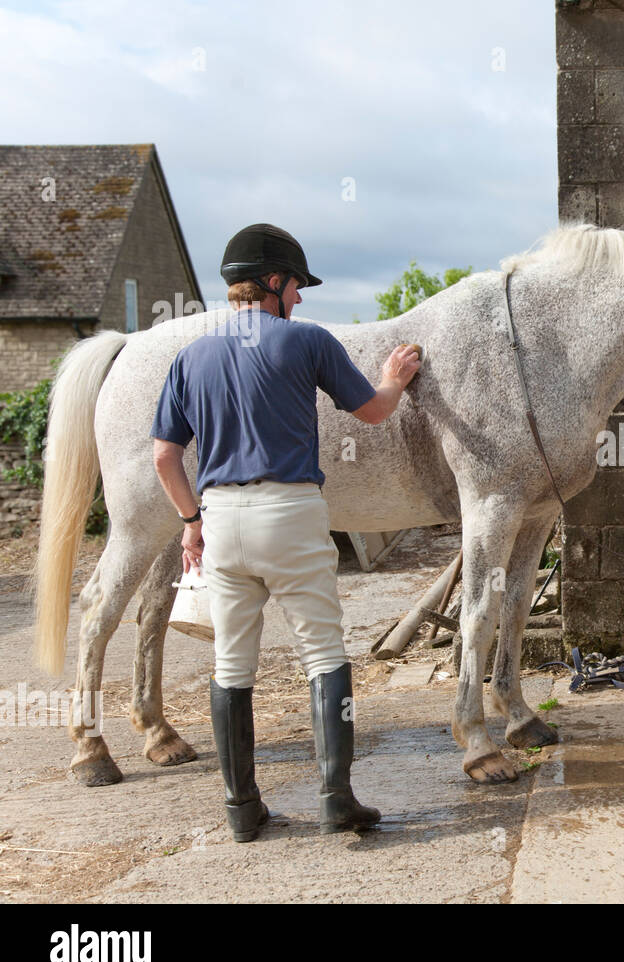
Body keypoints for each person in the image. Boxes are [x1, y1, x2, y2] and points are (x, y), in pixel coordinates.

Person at [151, 223, 422, 839]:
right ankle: (335, 798)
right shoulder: (306, 342)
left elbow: (165, 458)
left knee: (231, 663)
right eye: (296, 286)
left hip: (220, 520)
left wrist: (191, 522)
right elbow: (376, 412)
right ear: (273, 283)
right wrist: (395, 376)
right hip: (291, 511)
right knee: (324, 654)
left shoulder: (190, 357)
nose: (299, 298)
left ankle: (241, 810)